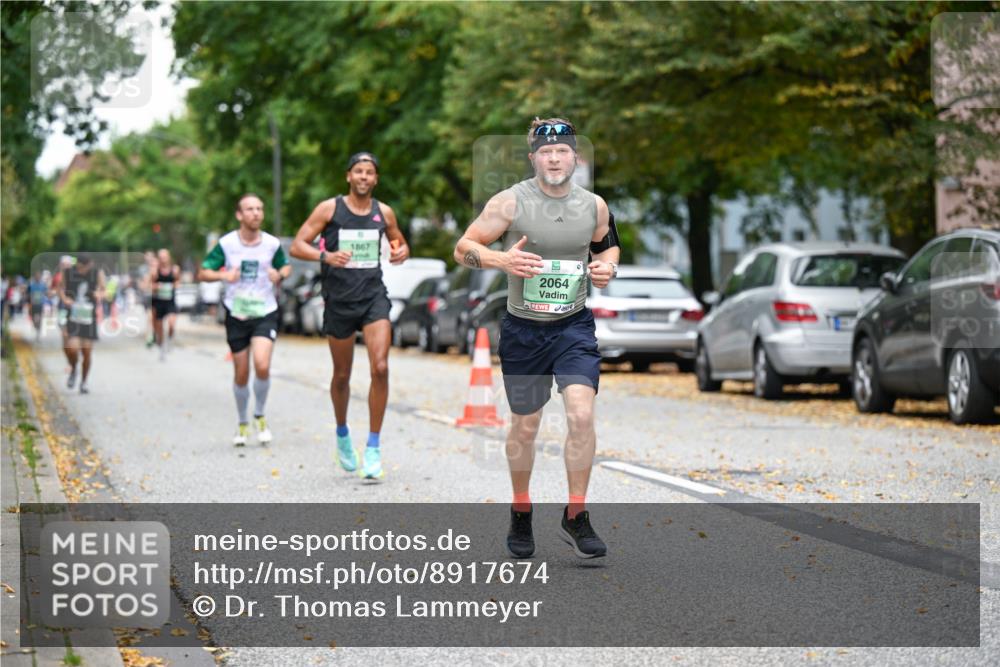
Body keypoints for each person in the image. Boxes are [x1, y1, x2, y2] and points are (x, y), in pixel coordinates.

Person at [453, 118, 620, 559]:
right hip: (523, 331)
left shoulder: (594, 206)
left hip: (573, 327)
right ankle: (521, 509)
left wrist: (608, 267)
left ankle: (576, 513)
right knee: (525, 426)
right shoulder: (510, 202)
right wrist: (501, 260)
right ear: (533, 159)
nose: (554, 159)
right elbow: (463, 247)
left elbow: (607, 246)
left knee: (581, 416)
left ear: (575, 158)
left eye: (562, 151)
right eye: (546, 152)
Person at [290, 152, 410, 480]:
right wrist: (326, 256)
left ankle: (373, 447)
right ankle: (342, 434)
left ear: (375, 179)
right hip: (339, 301)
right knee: (342, 375)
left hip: (373, 298)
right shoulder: (329, 209)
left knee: (380, 367)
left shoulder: (383, 212)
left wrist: (401, 251)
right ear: (348, 176)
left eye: (369, 172)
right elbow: (298, 245)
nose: (363, 177)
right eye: (358, 171)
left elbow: (399, 244)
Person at [198, 194, 291, 446]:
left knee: (262, 364)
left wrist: (278, 274)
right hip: (236, 312)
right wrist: (224, 276)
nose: (256, 213)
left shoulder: (271, 243)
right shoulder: (227, 244)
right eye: (250, 209)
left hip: (264, 311)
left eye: (259, 209)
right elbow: (203, 272)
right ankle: (242, 422)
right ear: (239, 215)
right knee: (241, 373)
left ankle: (259, 414)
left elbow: (286, 266)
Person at [58, 254, 105, 394]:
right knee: (72, 348)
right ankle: (73, 369)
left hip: (89, 317)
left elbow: (103, 289)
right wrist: (65, 299)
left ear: (90, 265)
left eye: (85, 268)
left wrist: (99, 294)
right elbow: (60, 288)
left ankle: (84, 382)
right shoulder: (68, 272)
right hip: (73, 315)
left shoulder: (97, 273)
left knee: (87, 352)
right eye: (79, 268)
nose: (82, 270)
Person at [148, 249, 180, 361]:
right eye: (161, 257)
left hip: (170, 301)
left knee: (171, 323)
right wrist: (158, 286)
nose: (163, 259)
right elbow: (150, 285)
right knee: (159, 328)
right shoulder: (155, 271)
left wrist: (173, 286)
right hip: (158, 302)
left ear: (169, 257)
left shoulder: (175, 269)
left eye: (165, 257)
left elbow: (177, 282)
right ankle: (162, 348)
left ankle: (170, 340)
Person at [28, 272, 48, 340]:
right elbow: (29, 294)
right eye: (36, 276)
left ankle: (38, 330)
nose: (38, 277)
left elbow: (46, 292)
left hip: (40, 304)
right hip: (33, 304)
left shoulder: (43, 285)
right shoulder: (31, 285)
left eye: (39, 276)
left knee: (39, 317)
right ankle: (35, 326)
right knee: (33, 318)